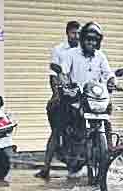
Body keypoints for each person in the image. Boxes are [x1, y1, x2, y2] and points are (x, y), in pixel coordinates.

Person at [37, 20, 82, 179]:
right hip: (64, 94)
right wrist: (56, 94)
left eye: (78, 33)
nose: (76, 36)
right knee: (56, 131)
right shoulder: (59, 50)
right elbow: (53, 75)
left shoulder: (86, 51)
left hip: (82, 94)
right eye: (73, 33)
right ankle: (46, 168)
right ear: (67, 33)